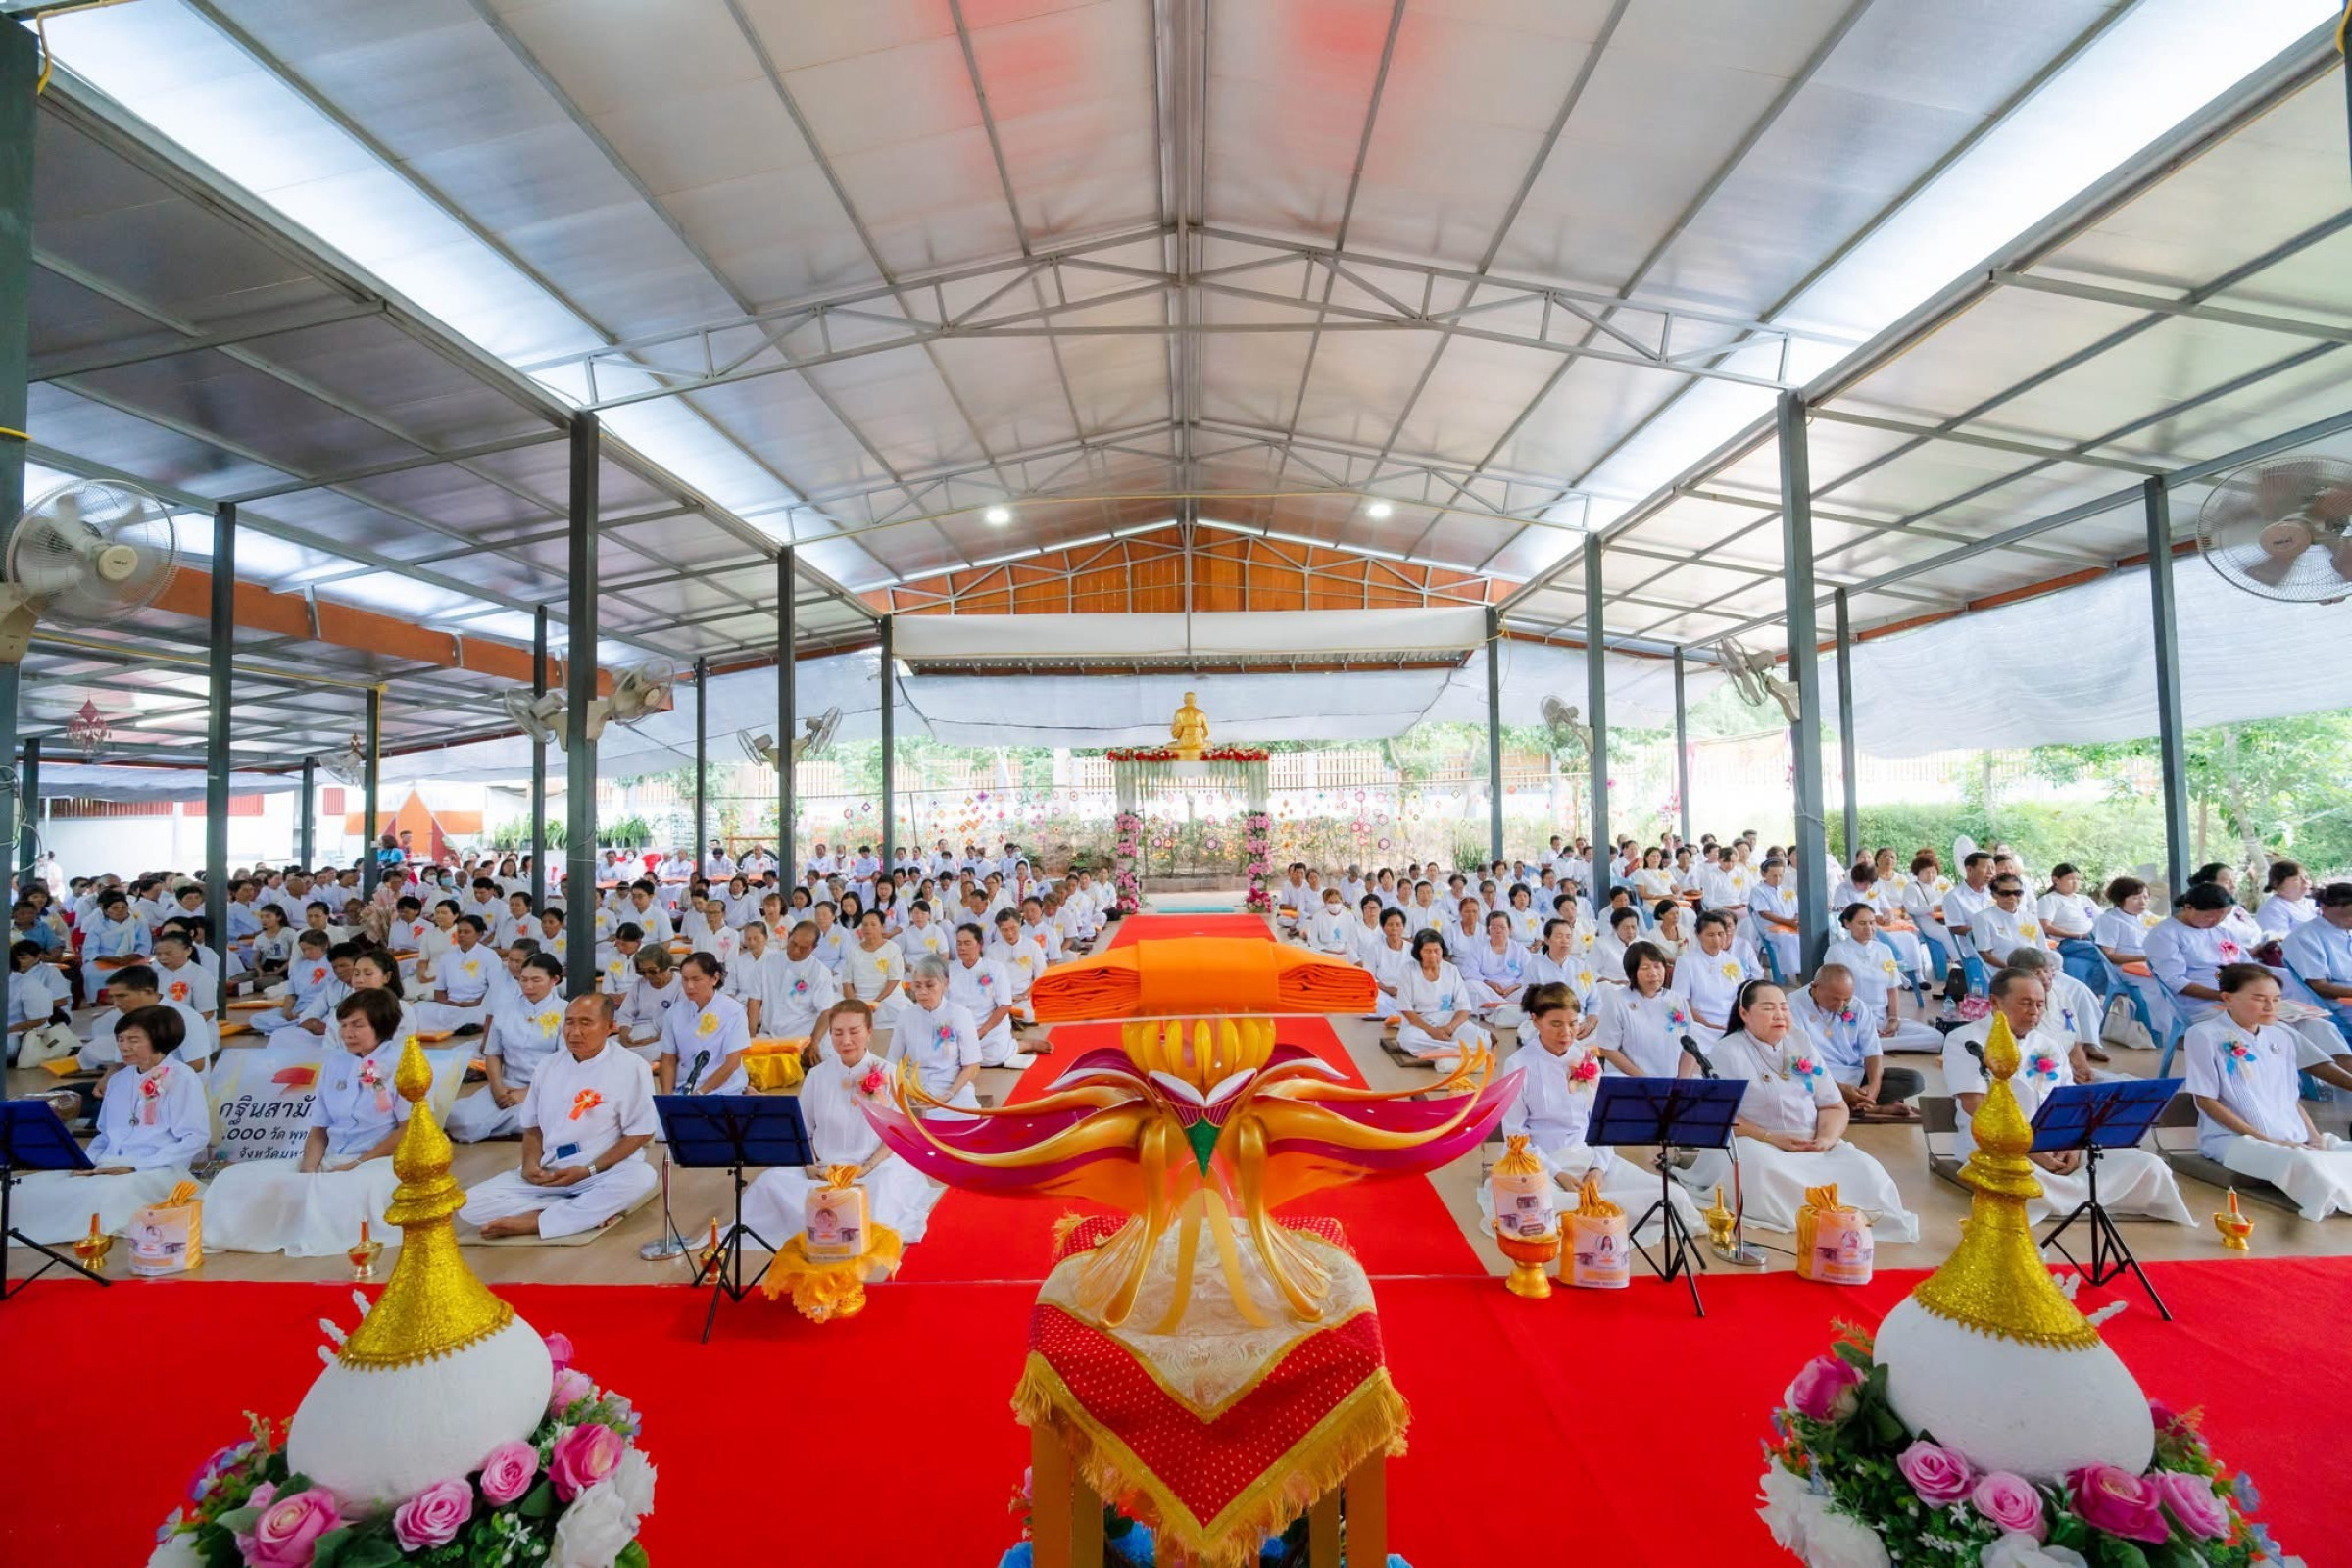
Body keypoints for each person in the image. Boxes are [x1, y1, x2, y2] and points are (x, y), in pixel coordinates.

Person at [1677, 980, 1920, 1243]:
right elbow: (1722, 1117)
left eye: (1784, 1007)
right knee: (1761, 1168)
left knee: (1868, 1171)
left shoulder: (1800, 1043)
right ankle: (1818, 1222)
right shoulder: (1728, 1050)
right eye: (1768, 1008)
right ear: (1744, 1014)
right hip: (1754, 1141)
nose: (1779, 1015)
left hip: (1811, 1142)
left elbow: (1833, 1105)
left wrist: (1826, 1139)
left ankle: (1848, 1221)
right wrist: (1770, 1137)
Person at [1943, 969, 2190, 1225]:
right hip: (1999, 1146)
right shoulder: (1966, 1040)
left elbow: (2073, 1103)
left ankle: (2072, 1198)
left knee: (2150, 1165)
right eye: (2025, 1003)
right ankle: (2087, 1197)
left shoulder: (2047, 1044)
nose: (2034, 1012)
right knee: (2023, 1179)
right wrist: (2030, 1149)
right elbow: (1976, 1106)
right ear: (1995, 1002)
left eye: (2040, 1004)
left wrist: (2073, 1145)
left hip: (2058, 1144)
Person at [204, 989, 412, 1257]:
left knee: (340, 1188)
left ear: (382, 1026)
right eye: (344, 1025)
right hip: (333, 1159)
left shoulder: (403, 1063)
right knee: (233, 1178)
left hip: (379, 1162)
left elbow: (407, 1129)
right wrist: (308, 1168)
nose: (348, 1032)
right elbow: (319, 1129)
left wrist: (358, 1164)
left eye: (358, 1025)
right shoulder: (335, 1061)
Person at [1489, 985, 1698, 1239]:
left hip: (1588, 1158)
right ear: (1535, 1021)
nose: (1566, 1033)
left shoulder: (1585, 1058)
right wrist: (1558, 1173)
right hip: (1540, 1162)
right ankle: (1601, 1213)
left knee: (1674, 1197)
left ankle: (1594, 1210)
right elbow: (1515, 1135)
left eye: (1572, 1023)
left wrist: (1598, 1168)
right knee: (1534, 1209)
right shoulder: (1518, 1064)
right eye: (1555, 1024)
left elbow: (1602, 1122)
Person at [461, 993, 662, 1240]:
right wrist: (531, 1166)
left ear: (610, 1027)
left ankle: (536, 1221)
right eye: (569, 1022)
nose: (574, 1032)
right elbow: (533, 1127)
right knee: (469, 1204)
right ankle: (577, 1211)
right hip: (552, 1172)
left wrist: (588, 1170)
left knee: (642, 1178)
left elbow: (640, 1132)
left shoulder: (632, 1067)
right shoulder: (548, 1066)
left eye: (585, 1023)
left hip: (601, 1171)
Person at [742, 1000, 942, 1249]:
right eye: (838, 1033)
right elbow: (803, 1129)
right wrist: (810, 1164)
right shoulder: (817, 1075)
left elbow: (896, 1134)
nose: (845, 1040)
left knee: (883, 1192)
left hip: (873, 1167)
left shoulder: (889, 1073)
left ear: (869, 1031)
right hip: (824, 1168)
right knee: (770, 1182)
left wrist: (867, 1167)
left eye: (854, 1031)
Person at [11, 1005, 209, 1243]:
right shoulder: (118, 1080)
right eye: (121, 1039)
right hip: (107, 1164)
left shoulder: (182, 1077)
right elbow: (105, 1135)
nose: (124, 1047)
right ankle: (19, 1233)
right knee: (30, 1187)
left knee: (103, 1194)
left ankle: (57, 1236)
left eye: (134, 1040)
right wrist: (87, 1163)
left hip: (157, 1169)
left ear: (160, 1039)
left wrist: (135, 1166)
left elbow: (194, 1137)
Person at [2183, 965, 2352, 1222]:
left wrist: (2314, 1136)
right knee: (2305, 1164)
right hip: (2233, 1140)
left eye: (2276, 999)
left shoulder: (2282, 1035)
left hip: (2290, 1135)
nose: (2269, 1006)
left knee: (2340, 1153)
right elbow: (2206, 1100)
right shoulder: (2203, 1035)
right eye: (2259, 998)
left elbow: (2289, 1098)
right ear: (2228, 997)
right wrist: (2265, 1139)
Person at [447, 954, 567, 1142]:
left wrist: (526, 1094)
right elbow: (493, 1054)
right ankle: (510, 1127)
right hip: (508, 1084)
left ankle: (515, 1126)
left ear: (554, 980)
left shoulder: (566, 1013)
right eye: (524, 980)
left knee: (551, 1119)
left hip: (547, 1088)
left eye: (536, 980)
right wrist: (497, 1088)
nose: (528, 986)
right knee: (461, 1120)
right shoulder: (506, 1009)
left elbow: (565, 1064)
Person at [1787, 964, 1920, 1122]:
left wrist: (1873, 1088)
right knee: (1791, 1087)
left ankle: (1858, 1104)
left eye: (1847, 999)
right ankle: (1873, 1108)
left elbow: (1872, 1052)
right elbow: (1795, 1060)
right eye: (1835, 999)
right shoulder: (1791, 1006)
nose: (1842, 1005)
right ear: (1815, 988)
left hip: (1854, 1076)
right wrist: (1839, 1088)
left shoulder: (1858, 1007)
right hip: (1815, 1078)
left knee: (1913, 1080)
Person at [1821, 904, 1943, 1052]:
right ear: (1847, 924)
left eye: (1872, 923)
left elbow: (1892, 989)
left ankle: (1872, 1045)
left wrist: (1893, 1019)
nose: (1869, 928)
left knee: (1937, 1038)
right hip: (1851, 1020)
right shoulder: (1837, 952)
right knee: (1841, 1039)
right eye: (1862, 923)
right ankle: (1872, 1044)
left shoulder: (1884, 950)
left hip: (1881, 1019)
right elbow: (1830, 994)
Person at [889, 955, 983, 1111]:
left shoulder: (961, 1015)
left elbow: (970, 1065)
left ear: (945, 984)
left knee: (963, 1117)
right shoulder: (905, 1017)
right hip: (913, 1086)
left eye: (930, 985)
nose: (923, 992)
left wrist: (947, 1095)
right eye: (918, 986)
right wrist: (909, 1094)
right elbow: (892, 1062)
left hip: (951, 1085)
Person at [1588, 941, 1694, 1077]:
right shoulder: (1617, 1000)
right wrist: (1643, 1080)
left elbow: (1691, 1044)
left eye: (1657, 966)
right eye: (1645, 968)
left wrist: (1682, 1081)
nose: (1653, 973)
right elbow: (1607, 1047)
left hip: (1672, 1085)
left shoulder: (1676, 1000)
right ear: (1632, 971)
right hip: (1631, 1082)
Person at [660, 952, 751, 1096]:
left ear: (714, 978)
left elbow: (732, 1062)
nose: (689, 986)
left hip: (725, 1089)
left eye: (696, 979)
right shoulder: (674, 1012)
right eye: (685, 979)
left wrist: (701, 1092)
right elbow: (668, 1058)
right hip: (684, 1088)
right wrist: (665, 1098)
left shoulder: (733, 1010)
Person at [1394, 931, 1489, 1065]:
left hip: (1448, 1020)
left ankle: (1442, 1053)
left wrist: (1449, 1028)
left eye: (1436, 950)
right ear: (1418, 952)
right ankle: (1462, 1051)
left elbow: (1464, 1008)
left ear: (1442, 951)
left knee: (1483, 1040)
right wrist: (1432, 1031)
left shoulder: (1452, 970)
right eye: (1427, 951)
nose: (1433, 955)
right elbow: (1406, 1010)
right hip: (1420, 1022)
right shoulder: (1408, 970)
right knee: (1408, 1039)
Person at [948, 923, 1020, 1067]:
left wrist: (982, 1031)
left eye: (967, 943)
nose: (962, 948)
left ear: (979, 945)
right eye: (959, 943)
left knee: (991, 1059)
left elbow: (1005, 1005)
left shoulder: (995, 969)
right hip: (958, 1031)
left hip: (988, 1031)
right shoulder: (949, 970)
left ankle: (1019, 1045)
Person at [615, 945, 685, 1064]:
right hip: (639, 1030)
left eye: (652, 971)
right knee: (607, 1044)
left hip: (666, 1036)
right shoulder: (639, 984)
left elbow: (680, 1023)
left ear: (665, 966)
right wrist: (624, 1035)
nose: (647, 976)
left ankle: (625, 1060)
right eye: (643, 972)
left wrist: (652, 1040)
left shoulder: (681, 985)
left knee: (659, 1049)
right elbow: (625, 1014)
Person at [2256, 860, 2317, 936]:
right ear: (2277, 884)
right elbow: (2280, 942)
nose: (2305, 882)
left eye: (2306, 877)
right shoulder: (2272, 909)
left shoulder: (2312, 903)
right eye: (2296, 879)